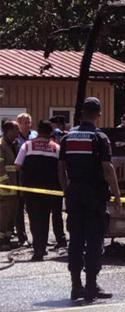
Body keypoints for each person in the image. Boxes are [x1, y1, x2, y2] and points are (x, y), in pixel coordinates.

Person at [58, 97, 122, 303]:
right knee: (94, 239)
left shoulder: (67, 138)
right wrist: (117, 194)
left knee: (75, 238)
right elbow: (107, 168)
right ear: (99, 114)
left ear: (81, 113)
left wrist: (66, 188)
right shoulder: (99, 137)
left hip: (74, 193)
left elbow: (60, 167)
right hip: (94, 194)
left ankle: (76, 286)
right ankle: (91, 286)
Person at [15, 121, 61, 261]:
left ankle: (38, 249)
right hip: (49, 189)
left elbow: (17, 165)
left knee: (34, 218)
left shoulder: (27, 145)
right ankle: (42, 247)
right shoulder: (56, 147)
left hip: (30, 188)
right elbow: (60, 168)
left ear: (38, 131)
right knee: (45, 217)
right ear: (50, 133)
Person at [0, 121, 22, 250]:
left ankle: (7, 238)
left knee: (12, 215)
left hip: (16, 186)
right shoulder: (1, 145)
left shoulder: (15, 144)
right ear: (8, 130)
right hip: (6, 187)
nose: (18, 133)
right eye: (16, 130)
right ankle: (1, 240)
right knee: (3, 214)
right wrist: (5, 182)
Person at [48, 116, 69, 248]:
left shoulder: (68, 137)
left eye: (54, 125)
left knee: (70, 210)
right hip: (54, 179)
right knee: (56, 212)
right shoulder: (51, 139)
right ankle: (60, 239)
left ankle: (69, 238)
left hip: (68, 176)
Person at [14, 112, 35, 246]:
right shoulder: (15, 139)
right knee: (19, 208)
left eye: (29, 122)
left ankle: (36, 237)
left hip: (34, 175)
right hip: (19, 176)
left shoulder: (35, 136)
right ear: (19, 124)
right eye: (24, 122)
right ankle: (22, 236)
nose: (27, 124)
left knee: (33, 208)